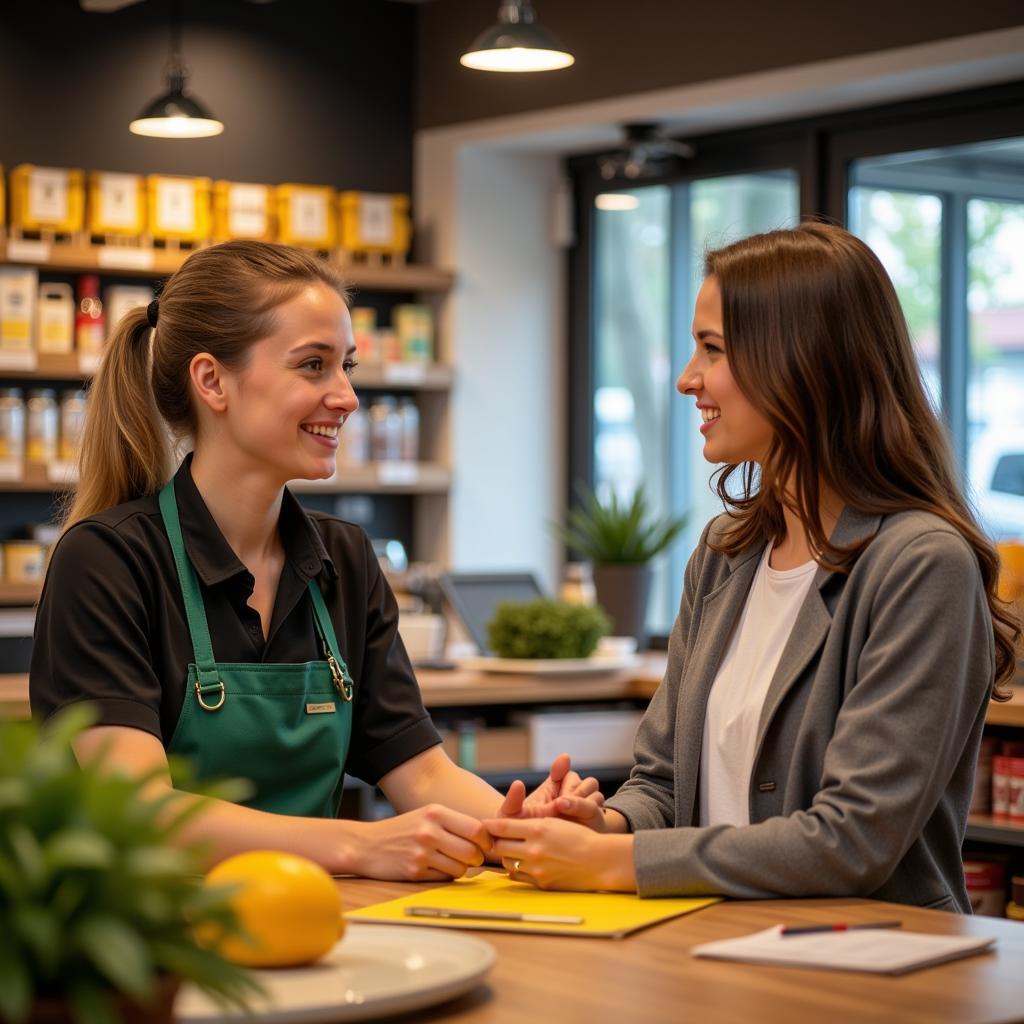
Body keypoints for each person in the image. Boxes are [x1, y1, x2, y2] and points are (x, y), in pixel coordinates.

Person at [486, 222, 1021, 911]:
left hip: (867, 983)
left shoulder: (921, 566)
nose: (687, 380)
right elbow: (663, 785)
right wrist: (604, 824)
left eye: (712, 349)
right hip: (715, 954)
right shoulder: (724, 554)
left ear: (802, 361)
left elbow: (852, 839)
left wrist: (616, 861)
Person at [30, 240, 594, 879]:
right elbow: (140, 812)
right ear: (212, 380)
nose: (348, 396)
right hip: (162, 950)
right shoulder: (108, 561)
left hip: (315, 926)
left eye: (346, 366)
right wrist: (358, 845)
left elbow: (424, 772)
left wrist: (520, 828)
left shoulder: (343, 559)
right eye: (313, 366)